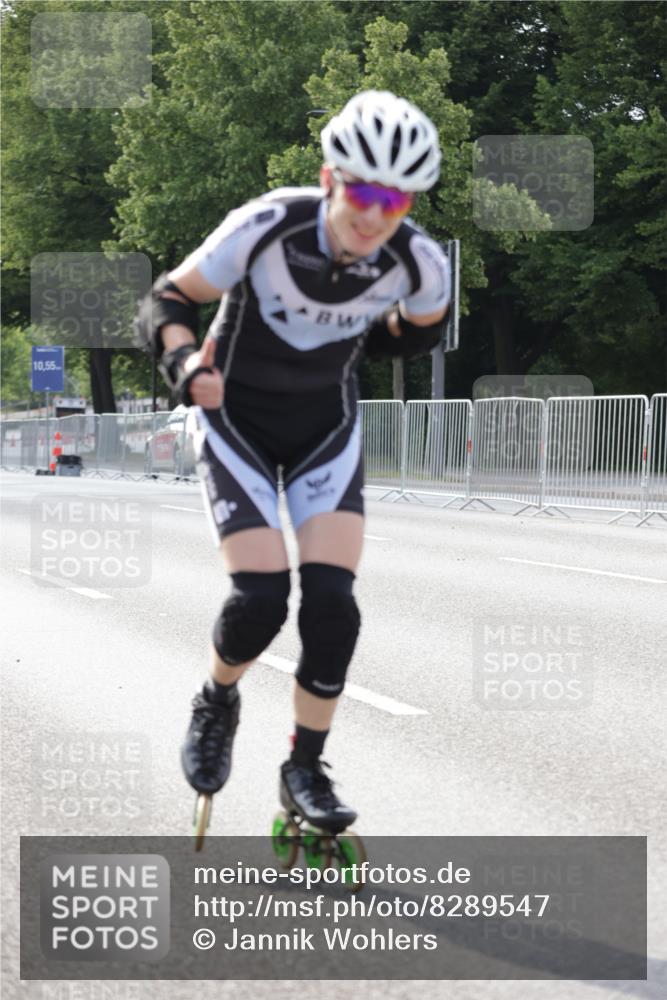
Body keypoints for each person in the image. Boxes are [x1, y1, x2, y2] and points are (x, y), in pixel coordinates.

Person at [134, 90, 450, 834]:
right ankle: (217, 699)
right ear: (329, 176)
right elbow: (165, 299)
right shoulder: (270, 223)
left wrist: (352, 333)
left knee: (333, 607)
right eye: (362, 191)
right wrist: (184, 367)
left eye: (395, 199)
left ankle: (304, 765)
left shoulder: (420, 261)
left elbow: (415, 334)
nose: (374, 214)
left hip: (322, 433)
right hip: (236, 423)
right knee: (262, 601)